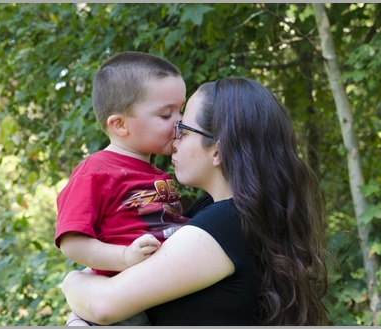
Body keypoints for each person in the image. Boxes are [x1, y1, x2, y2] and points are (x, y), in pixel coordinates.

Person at [62, 77, 329, 325]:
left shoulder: (223, 226)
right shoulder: (220, 214)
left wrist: (72, 281)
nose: (173, 140)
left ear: (218, 151)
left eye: (184, 130)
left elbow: (103, 305)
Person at [55, 51, 190, 325]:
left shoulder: (161, 174)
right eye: (166, 114)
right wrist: (124, 257)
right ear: (119, 125)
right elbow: (71, 242)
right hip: (122, 298)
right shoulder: (96, 172)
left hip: (164, 290)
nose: (180, 122)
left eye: (181, 110)